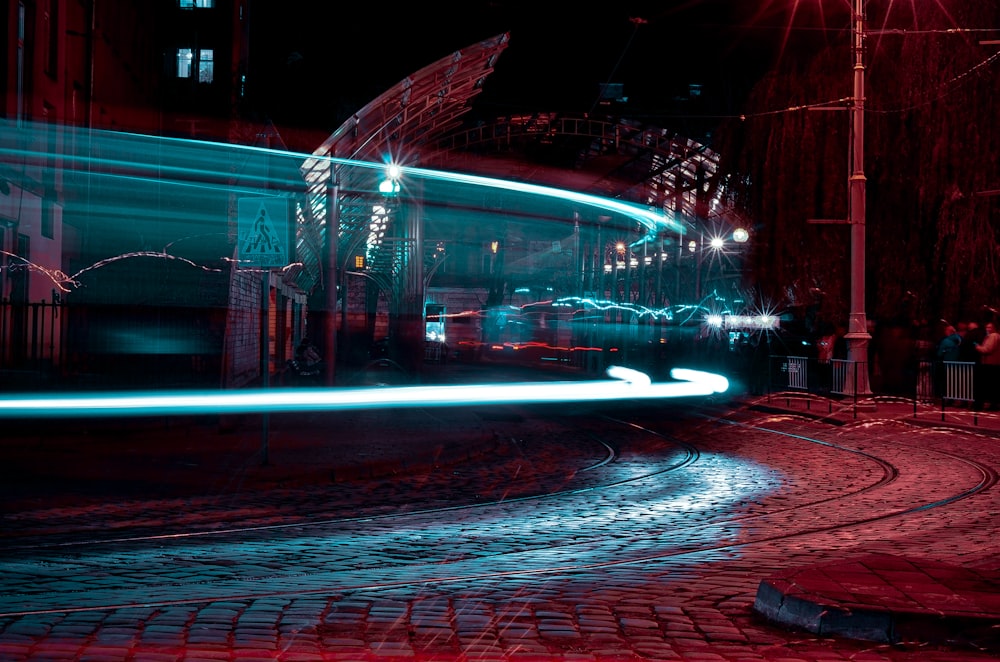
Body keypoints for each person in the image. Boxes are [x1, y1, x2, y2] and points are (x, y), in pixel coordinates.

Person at [974, 321, 1000, 410]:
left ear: (994, 328)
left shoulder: (993, 336)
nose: (987, 329)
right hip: (993, 364)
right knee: (993, 385)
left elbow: (988, 349)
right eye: (986, 327)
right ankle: (993, 404)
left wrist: (977, 347)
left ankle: (989, 405)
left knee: (988, 385)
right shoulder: (995, 336)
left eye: (989, 327)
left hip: (990, 364)